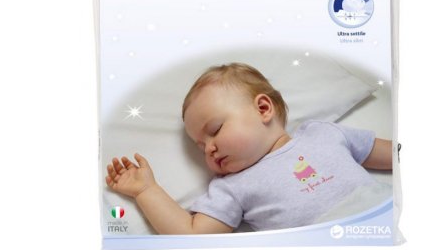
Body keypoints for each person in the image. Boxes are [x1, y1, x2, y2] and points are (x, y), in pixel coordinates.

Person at [106, 63, 392, 234]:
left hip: (378, 220)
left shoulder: (323, 132)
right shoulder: (232, 186)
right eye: (201, 147)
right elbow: (191, 234)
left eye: (215, 130)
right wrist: (147, 191)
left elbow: (395, 155)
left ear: (263, 109)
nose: (209, 149)